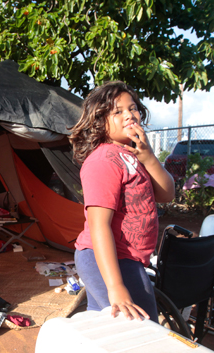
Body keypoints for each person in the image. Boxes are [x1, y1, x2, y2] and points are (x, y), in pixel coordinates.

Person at [70, 81, 175, 321]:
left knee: (106, 327)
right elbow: (99, 225)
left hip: (128, 258)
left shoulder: (134, 154)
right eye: (117, 111)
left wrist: (148, 157)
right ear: (100, 121)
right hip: (106, 258)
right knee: (142, 326)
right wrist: (116, 286)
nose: (129, 115)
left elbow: (167, 194)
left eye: (133, 108)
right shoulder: (104, 160)